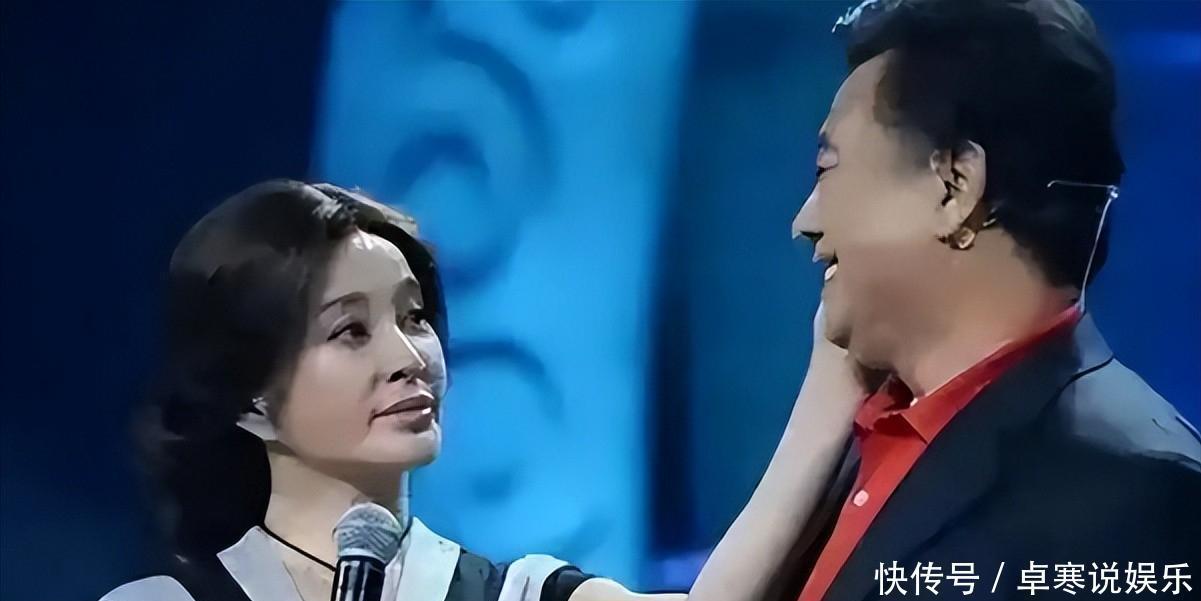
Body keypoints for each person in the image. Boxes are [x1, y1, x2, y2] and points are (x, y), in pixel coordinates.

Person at [688, 1, 1201, 600]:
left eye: (827, 169)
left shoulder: (1135, 491)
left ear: (954, 187)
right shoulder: (861, 440)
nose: (804, 223)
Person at [100, 181, 683, 601]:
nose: (410, 359)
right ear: (251, 399)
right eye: (350, 330)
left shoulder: (523, 593)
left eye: (414, 317)